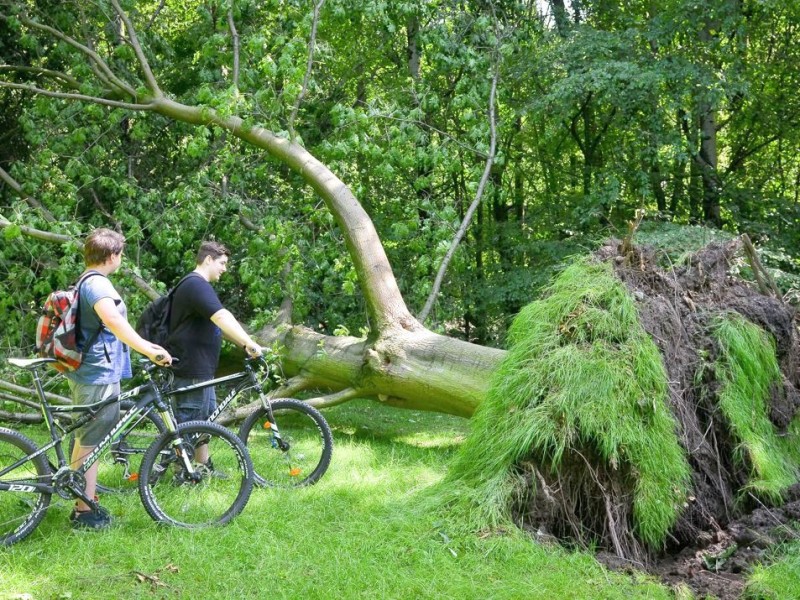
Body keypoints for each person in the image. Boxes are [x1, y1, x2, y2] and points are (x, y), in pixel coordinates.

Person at [67, 228, 172, 529]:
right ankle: (85, 511)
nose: (121, 259)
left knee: (87, 437)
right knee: (92, 440)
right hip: (96, 372)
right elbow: (112, 320)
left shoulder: (86, 280)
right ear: (112, 256)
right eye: (121, 254)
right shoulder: (98, 284)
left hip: (90, 369)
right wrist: (149, 349)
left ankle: (83, 499)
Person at [167, 241, 261, 465]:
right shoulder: (195, 284)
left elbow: (218, 323)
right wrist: (248, 343)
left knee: (206, 418)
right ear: (208, 259)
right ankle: (184, 473)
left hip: (202, 367)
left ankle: (202, 465)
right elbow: (221, 316)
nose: (225, 268)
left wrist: (245, 343)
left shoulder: (198, 286)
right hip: (190, 367)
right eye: (222, 263)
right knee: (190, 421)